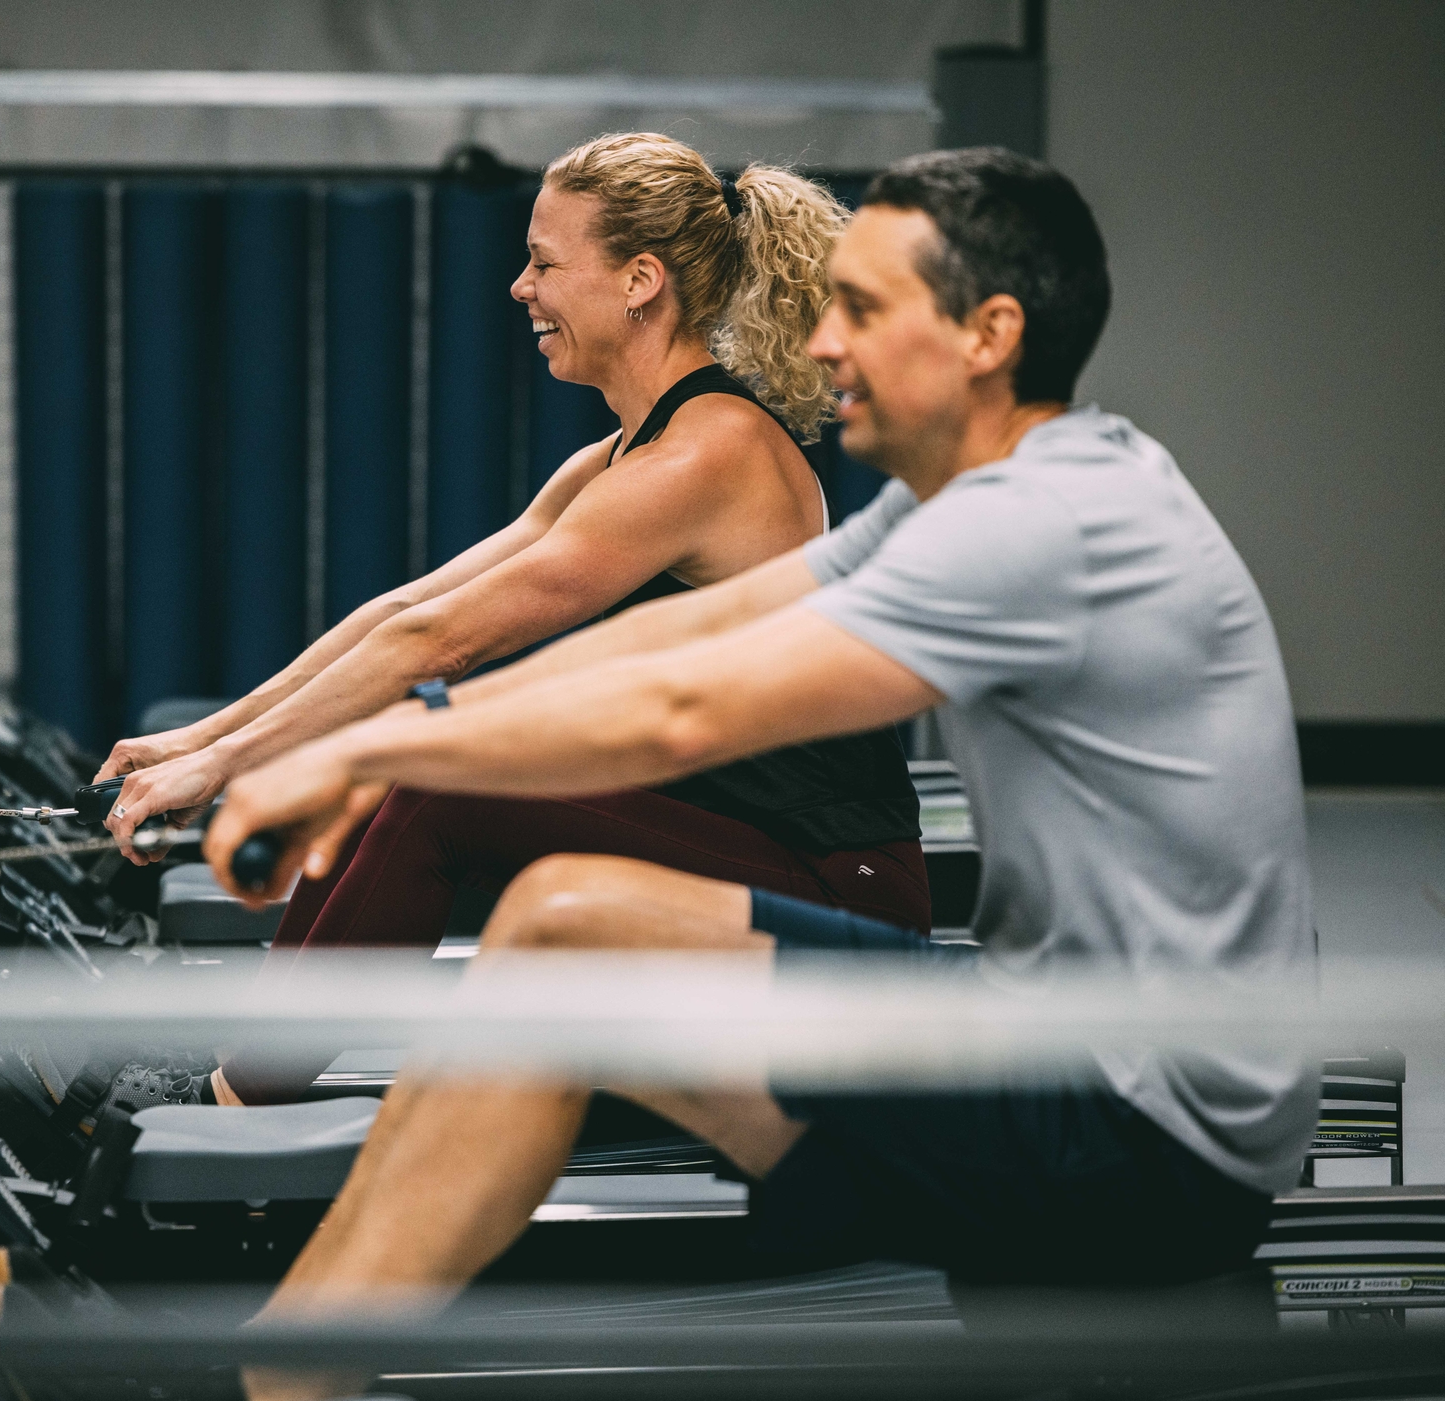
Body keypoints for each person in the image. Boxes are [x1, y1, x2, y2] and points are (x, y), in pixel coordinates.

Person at [203, 147, 1318, 1400]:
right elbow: (686, 635)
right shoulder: (988, 493)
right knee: (561, 938)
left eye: (865, 309)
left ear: (989, 335)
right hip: (1050, 1057)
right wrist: (386, 738)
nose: (824, 341)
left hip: (1135, 1136)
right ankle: (285, 1343)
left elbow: (685, 709)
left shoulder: (1041, 525)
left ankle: (281, 1375)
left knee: (575, 932)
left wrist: (372, 750)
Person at [97, 134, 929, 1103]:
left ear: (639, 281)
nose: (518, 288)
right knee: (411, 769)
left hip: (833, 899)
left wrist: (223, 769)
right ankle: (238, 1083)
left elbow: (441, 645)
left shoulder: (709, 456)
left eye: (544, 263)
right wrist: (200, 741)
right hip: (745, 845)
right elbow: (407, 609)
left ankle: (232, 1107)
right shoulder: (626, 455)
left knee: (430, 779)